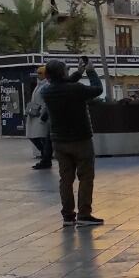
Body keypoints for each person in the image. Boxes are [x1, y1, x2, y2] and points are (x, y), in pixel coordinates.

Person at [42, 57, 104, 226]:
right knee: (85, 177)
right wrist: (90, 71)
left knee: (65, 179)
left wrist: (79, 72)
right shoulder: (76, 89)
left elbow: (62, 84)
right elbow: (98, 89)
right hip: (80, 139)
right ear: (63, 73)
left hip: (59, 141)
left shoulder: (46, 91)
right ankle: (84, 214)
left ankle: (68, 216)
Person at [26, 70, 52, 169]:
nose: (38, 75)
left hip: (41, 115)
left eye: (40, 73)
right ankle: (44, 157)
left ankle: (45, 159)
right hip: (34, 115)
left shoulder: (46, 85)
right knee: (34, 136)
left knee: (42, 138)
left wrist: (43, 114)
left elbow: (46, 102)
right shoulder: (39, 85)